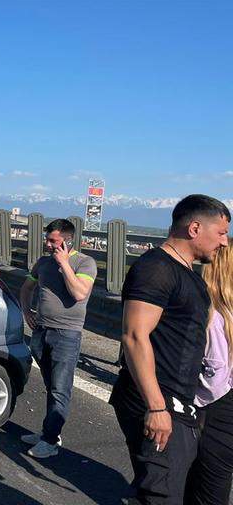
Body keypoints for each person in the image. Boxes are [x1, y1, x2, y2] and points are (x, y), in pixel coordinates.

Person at [111, 194, 230, 504]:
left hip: (178, 406)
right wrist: (156, 407)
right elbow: (135, 336)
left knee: (173, 488)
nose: (225, 243)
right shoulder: (156, 268)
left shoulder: (189, 276)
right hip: (159, 403)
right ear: (194, 228)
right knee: (160, 494)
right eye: (220, 233)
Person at [19, 218, 98, 458]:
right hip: (41, 331)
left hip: (66, 334)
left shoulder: (84, 262)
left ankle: (50, 442)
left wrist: (64, 264)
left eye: (53, 240)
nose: (48, 244)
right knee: (49, 385)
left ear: (68, 241)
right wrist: (27, 311)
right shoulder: (43, 263)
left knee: (60, 389)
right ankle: (48, 432)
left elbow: (79, 293)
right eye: (48, 239)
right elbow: (26, 288)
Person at [187, 245, 233, 505]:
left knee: (202, 482)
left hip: (214, 408)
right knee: (217, 482)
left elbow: (215, 373)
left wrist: (194, 400)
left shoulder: (211, 313)